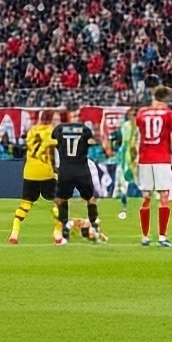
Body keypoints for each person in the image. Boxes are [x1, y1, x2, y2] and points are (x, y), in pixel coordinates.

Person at [134, 85, 172, 247]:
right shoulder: (170, 114)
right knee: (163, 197)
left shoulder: (141, 113)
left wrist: (135, 157)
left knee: (146, 197)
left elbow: (137, 136)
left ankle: (145, 236)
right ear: (167, 98)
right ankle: (162, 236)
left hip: (145, 158)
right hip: (162, 158)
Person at [52, 104, 104, 243]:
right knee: (90, 199)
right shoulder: (85, 130)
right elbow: (94, 142)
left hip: (65, 169)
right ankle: (94, 226)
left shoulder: (58, 129)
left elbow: (53, 144)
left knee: (61, 199)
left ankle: (64, 229)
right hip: (81, 168)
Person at [9, 109, 59, 245]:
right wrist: (56, 171)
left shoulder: (31, 131)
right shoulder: (51, 132)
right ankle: (58, 235)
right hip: (45, 171)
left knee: (25, 204)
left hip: (29, 171)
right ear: (50, 120)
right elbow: (53, 153)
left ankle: (14, 233)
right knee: (58, 202)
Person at [113, 108, 139, 218]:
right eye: (129, 115)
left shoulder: (140, 127)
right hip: (125, 157)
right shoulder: (126, 126)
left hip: (138, 157)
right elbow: (125, 142)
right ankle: (121, 205)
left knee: (139, 182)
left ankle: (145, 204)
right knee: (121, 183)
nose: (131, 117)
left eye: (133, 115)